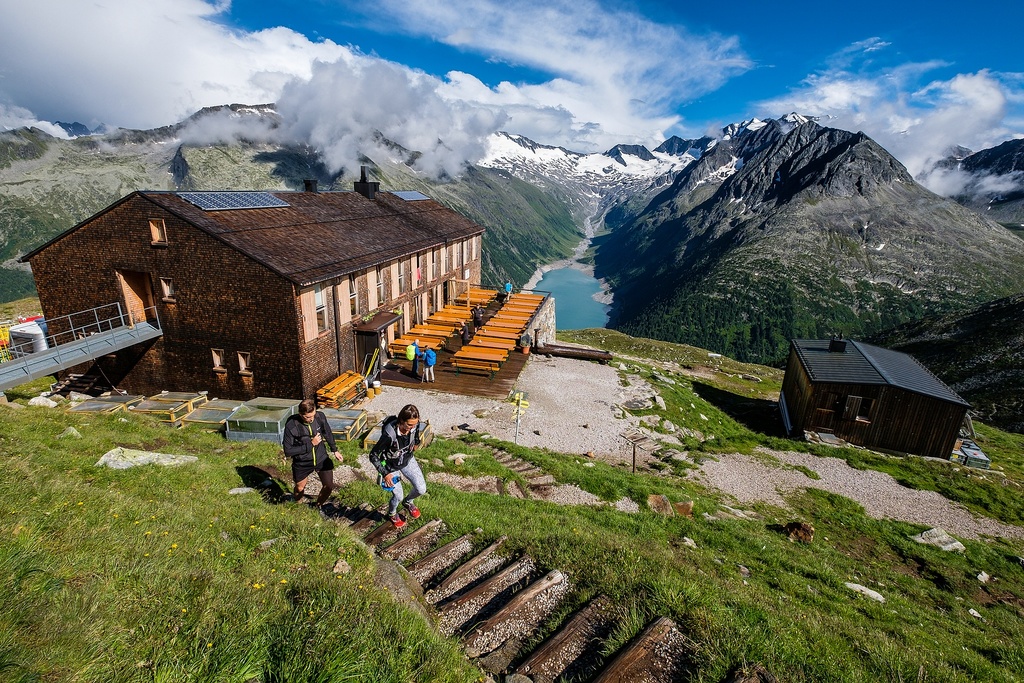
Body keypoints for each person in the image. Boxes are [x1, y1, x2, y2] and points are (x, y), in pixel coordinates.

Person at [370, 404, 426, 528]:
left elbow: (416, 438)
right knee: (398, 496)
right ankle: (392, 513)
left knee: (421, 489)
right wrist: (385, 473)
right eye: (410, 425)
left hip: (407, 460)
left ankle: (408, 502)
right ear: (401, 421)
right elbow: (373, 455)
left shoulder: (414, 427)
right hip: (390, 466)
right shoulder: (389, 435)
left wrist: (416, 443)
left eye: (415, 424)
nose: (412, 427)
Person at [282, 398, 341, 508]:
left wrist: (334, 450)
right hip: (302, 461)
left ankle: (317, 506)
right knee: (299, 488)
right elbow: (288, 451)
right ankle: (298, 505)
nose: (311, 419)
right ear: (300, 414)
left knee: (328, 486)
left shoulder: (320, 417)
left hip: (321, 457)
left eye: (313, 415)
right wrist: (311, 444)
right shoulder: (292, 425)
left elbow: (327, 432)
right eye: (308, 417)